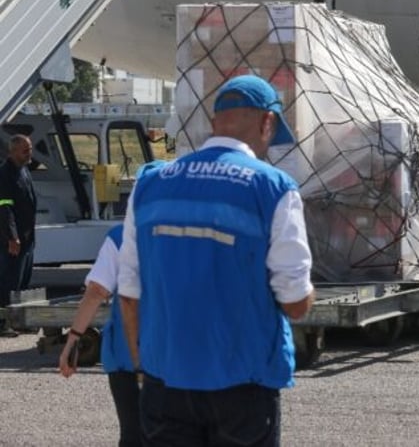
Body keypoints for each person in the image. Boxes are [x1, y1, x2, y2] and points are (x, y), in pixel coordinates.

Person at [117, 75, 315, 446]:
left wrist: (144, 368)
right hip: (243, 385)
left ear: (214, 122)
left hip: (165, 382)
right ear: (267, 122)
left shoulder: (150, 184)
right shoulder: (272, 187)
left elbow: (128, 292)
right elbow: (296, 303)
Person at [58, 161, 166, 447]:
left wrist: (73, 341)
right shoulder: (185, 236)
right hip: (174, 354)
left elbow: (96, 293)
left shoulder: (119, 237)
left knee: (133, 433)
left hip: (127, 355)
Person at [0, 134, 36, 338]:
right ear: (12, 151)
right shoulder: (5, 174)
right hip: (12, 240)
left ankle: (19, 321)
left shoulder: (24, 171)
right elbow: (5, 209)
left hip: (27, 238)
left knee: (23, 281)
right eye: (25, 150)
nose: (29, 153)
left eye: (30, 148)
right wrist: (12, 237)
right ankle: (2, 322)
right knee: (8, 282)